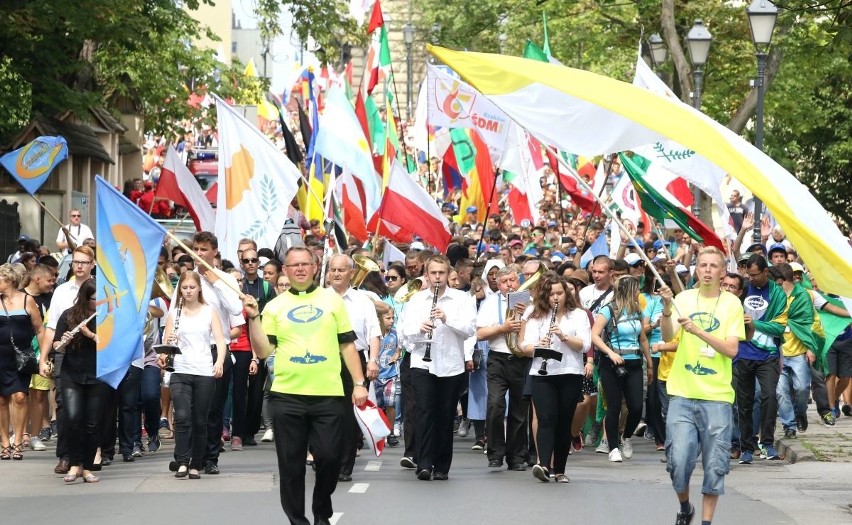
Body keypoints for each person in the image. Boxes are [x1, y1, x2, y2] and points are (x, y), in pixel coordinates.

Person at [242, 246, 368, 525]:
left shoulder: (333, 301)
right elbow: (263, 352)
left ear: (314, 267)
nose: (299, 269)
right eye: (293, 265)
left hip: (329, 394)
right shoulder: (274, 306)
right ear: (285, 271)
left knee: (330, 458)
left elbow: (348, 345)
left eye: (304, 264)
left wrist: (359, 383)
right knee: (291, 466)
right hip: (287, 397)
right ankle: (298, 521)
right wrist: (253, 317)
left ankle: (322, 510)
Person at [660, 247, 745, 525]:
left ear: (722, 272)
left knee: (714, 466)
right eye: (703, 265)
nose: (707, 270)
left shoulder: (731, 304)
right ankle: (685, 507)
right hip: (682, 394)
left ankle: (707, 522)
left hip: (717, 397)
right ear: (696, 269)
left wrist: (699, 331)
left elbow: (731, 350)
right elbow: (668, 335)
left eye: (713, 266)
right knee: (678, 463)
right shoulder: (683, 298)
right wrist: (666, 308)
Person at [400, 254, 476, 481]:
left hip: (451, 364)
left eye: (441, 273)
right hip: (422, 362)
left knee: (445, 415)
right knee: (423, 412)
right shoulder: (416, 300)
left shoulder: (461, 299)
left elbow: (470, 329)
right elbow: (404, 334)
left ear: (448, 274)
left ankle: (442, 466)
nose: (437, 277)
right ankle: (423, 464)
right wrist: (418, 329)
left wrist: (447, 318)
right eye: (433, 273)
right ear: (426, 275)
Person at [520, 274, 591, 483]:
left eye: (559, 293)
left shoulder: (578, 315)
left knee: (564, 421)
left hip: (570, 372)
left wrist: (564, 336)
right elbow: (523, 346)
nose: (556, 297)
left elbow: (585, 345)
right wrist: (538, 345)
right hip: (543, 374)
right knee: (546, 418)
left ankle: (559, 469)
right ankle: (543, 463)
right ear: (545, 295)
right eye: (551, 294)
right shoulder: (534, 315)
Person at [161, 271, 226, 479]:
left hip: (203, 369)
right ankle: (182, 461)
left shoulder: (209, 311)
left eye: (192, 287)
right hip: (180, 369)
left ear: (199, 289)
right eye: (184, 288)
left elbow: (220, 339)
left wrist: (219, 362)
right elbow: (165, 346)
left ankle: (196, 462)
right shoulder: (175, 313)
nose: (188, 291)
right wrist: (169, 341)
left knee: (200, 419)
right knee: (182, 416)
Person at [326, 254, 381, 482]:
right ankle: (323, 457)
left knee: (349, 416)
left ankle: (344, 466)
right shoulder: (319, 298)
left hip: (355, 359)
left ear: (351, 273)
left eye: (341, 270)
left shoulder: (363, 301)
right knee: (326, 413)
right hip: (324, 358)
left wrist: (373, 360)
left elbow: (373, 333)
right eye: (333, 270)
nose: (336, 274)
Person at [43, 246, 96, 474]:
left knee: (91, 413)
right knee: (65, 407)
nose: (80, 266)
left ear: (92, 264)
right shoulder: (62, 291)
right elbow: (52, 327)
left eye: (84, 262)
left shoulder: (98, 289)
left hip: (92, 357)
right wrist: (44, 357)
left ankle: (89, 455)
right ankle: (66, 456)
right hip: (66, 352)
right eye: (76, 262)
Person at [591, 276, 653, 463]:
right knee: (614, 406)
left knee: (636, 406)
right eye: (636, 289)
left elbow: (642, 338)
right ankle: (612, 447)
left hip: (634, 362)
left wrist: (649, 363)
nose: (638, 292)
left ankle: (625, 437)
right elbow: (594, 335)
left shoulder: (637, 310)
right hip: (612, 365)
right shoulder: (608, 310)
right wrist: (610, 353)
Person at [735, 254, 788, 464]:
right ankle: (746, 447)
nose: (752, 278)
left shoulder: (777, 294)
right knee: (744, 403)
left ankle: (767, 443)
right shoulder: (743, 289)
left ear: (765, 272)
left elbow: (779, 327)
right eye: (749, 274)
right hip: (743, 354)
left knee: (769, 398)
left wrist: (753, 324)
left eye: (755, 275)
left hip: (768, 355)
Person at [51, 279, 105, 482]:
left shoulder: (105, 317)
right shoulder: (69, 315)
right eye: (94, 299)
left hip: (97, 375)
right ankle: (74, 464)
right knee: (73, 419)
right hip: (72, 374)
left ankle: (88, 467)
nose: (98, 302)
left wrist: (89, 334)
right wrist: (64, 341)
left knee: (92, 423)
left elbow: (109, 345)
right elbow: (56, 345)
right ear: (85, 298)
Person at [475, 266, 529, 471]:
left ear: (518, 280)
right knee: (496, 404)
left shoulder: (528, 301)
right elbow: (480, 334)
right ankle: (495, 453)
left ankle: (516, 456)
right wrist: (502, 328)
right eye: (504, 281)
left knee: (519, 410)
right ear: (497, 284)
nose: (509, 284)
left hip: (521, 358)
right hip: (497, 358)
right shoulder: (490, 302)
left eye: (513, 280)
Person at [0, 264, 47, 461]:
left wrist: (43, 357)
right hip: (0, 358)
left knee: (19, 396)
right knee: (1, 399)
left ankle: (18, 441)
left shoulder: (28, 301)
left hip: (21, 357)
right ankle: (4, 442)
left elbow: (40, 330)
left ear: (9, 280)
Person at [373, 301, 400, 447]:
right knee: (379, 405)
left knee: (390, 403)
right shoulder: (374, 335)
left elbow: (400, 347)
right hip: (376, 376)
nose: (391, 321)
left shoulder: (395, 334)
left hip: (390, 374)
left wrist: (397, 355)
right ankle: (379, 431)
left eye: (393, 318)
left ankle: (390, 432)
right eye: (388, 318)